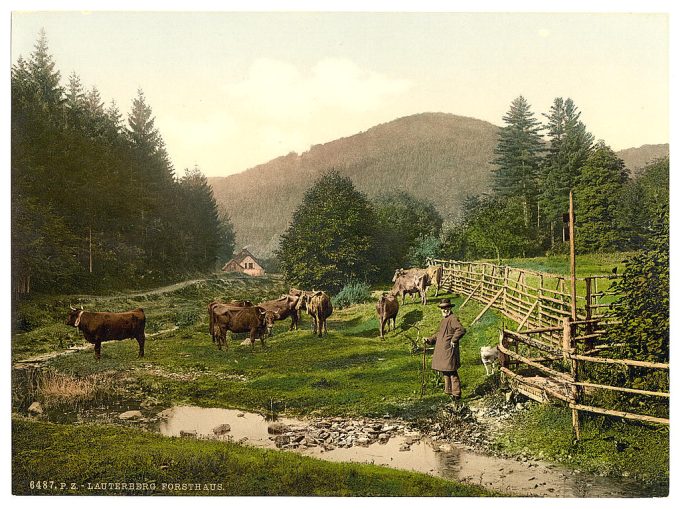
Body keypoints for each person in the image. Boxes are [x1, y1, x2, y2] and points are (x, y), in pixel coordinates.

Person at [424, 298, 466, 400]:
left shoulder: (453, 319)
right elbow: (439, 334)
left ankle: (456, 394)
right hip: (443, 350)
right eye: (442, 308)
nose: (444, 310)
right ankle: (448, 392)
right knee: (445, 371)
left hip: (449, 350)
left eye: (446, 308)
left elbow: (461, 329)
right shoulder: (444, 320)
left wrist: (454, 340)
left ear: (450, 308)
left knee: (452, 371)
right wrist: (429, 339)